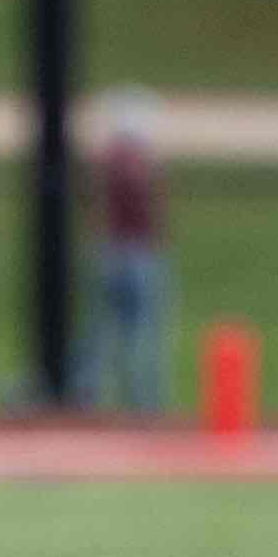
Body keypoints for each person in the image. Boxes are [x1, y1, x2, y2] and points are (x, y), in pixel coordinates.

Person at [85, 88, 173, 417]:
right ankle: (144, 405)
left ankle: (93, 398)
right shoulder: (137, 165)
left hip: (110, 252)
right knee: (141, 334)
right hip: (136, 256)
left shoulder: (106, 163)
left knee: (103, 334)